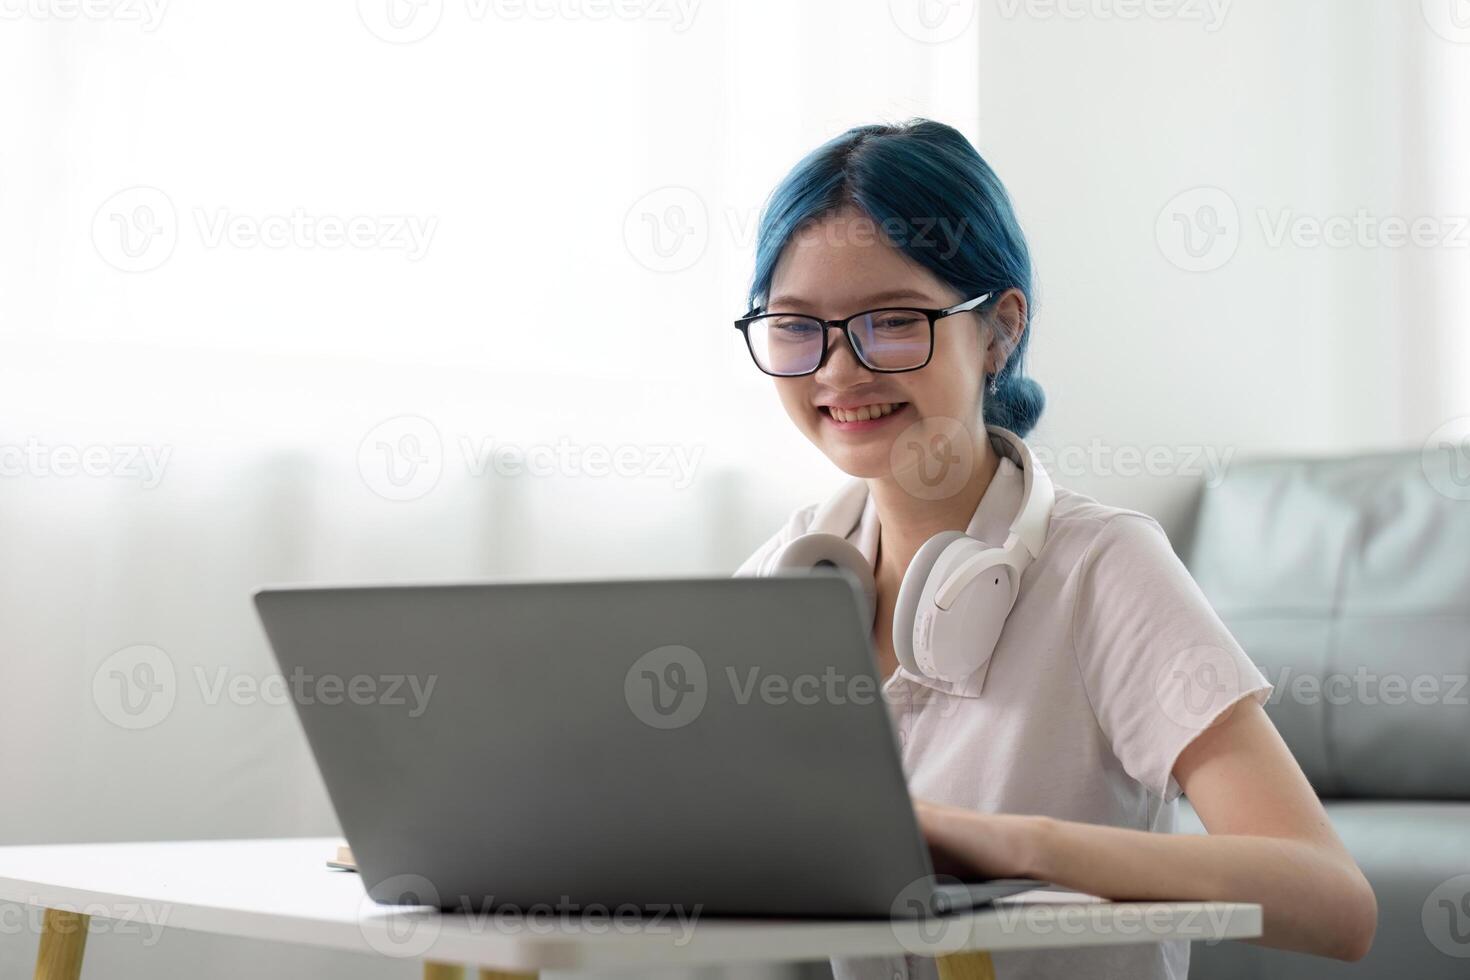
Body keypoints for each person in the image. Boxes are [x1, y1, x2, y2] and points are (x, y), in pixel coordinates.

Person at [732, 118, 1376, 980]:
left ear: (998, 330)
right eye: (796, 327)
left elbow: (1333, 900)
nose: (837, 372)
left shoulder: (1102, 566)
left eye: (891, 322)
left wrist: (1006, 847)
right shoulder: (780, 579)